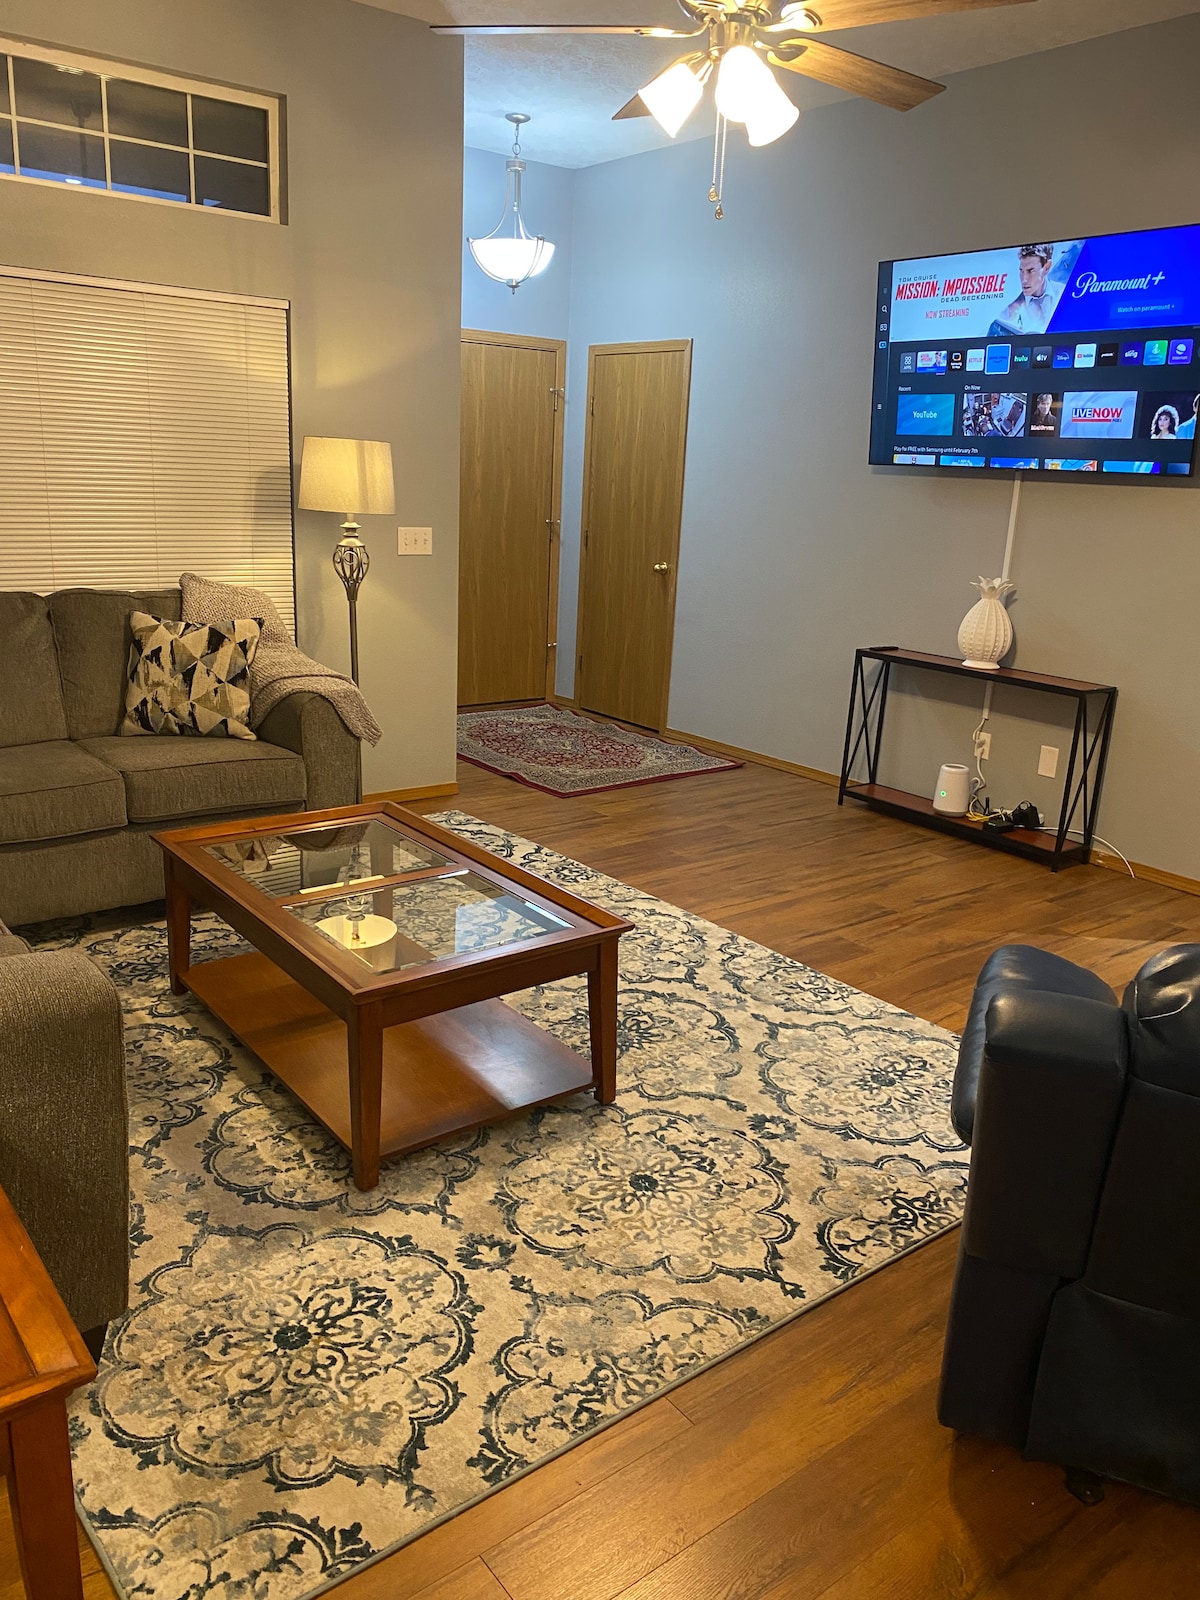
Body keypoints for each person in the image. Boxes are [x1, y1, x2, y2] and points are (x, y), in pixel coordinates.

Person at [1003, 245, 1061, 334]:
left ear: (1047, 267)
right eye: (1021, 271)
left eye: (1030, 271)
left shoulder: (1064, 294)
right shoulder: (1009, 314)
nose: (1024, 279)